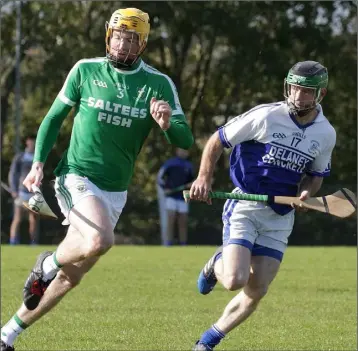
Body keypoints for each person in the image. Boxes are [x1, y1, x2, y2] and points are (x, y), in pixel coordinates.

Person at [0, 8, 193, 351]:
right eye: (118, 36)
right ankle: (47, 262)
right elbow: (53, 118)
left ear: (143, 44)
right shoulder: (85, 70)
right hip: (76, 177)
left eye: (131, 39)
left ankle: (7, 335)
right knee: (101, 240)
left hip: (114, 191)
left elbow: (185, 140)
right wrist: (39, 164)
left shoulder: (158, 84)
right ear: (108, 36)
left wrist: (166, 124)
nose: (122, 44)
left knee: (71, 277)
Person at [188, 61, 336, 350]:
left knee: (256, 289)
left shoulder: (325, 133)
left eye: (306, 91)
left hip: (280, 216)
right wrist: (204, 177)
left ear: (320, 95)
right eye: (294, 88)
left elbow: (315, 177)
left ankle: (207, 341)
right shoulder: (266, 116)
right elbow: (217, 140)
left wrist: (305, 195)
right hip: (245, 203)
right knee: (233, 279)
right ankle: (215, 263)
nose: (298, 96)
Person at [157, 148, 195, 246]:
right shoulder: (170, 163)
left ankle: (183, 244)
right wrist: (165, 188)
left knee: (183, 221)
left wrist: (191, 186)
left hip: (183, 197)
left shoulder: (189, 165)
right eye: (182, 150)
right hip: (171, 197)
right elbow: (160, 177)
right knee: (171, 219)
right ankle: (168, 243)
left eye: (186, 151)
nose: (184, 152)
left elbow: (191, 181)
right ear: (177, 151)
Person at [8, 134, 39, 245]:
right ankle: (13, 241)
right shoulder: (20, 157)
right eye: (31, 140)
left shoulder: (38, 157)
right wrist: (14, 190)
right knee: (17, 218)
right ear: (27, 142)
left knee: (33, 219)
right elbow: (13, 174)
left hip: (33, 193)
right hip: (21, 192)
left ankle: (33, 242)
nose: (33, 143)